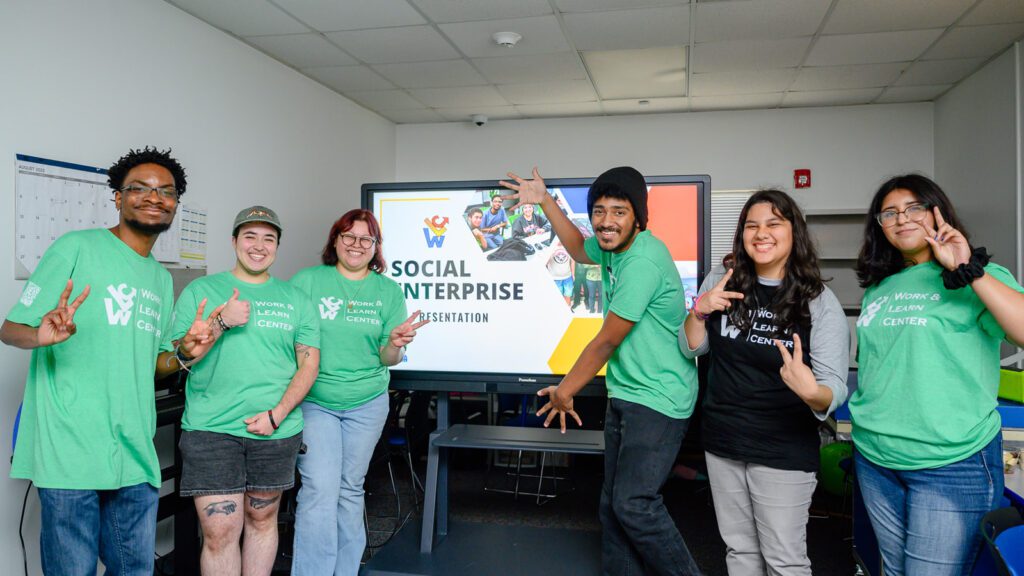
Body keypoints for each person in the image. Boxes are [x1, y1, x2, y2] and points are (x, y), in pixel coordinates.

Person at [1, 147, 221, 576]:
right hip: (69, 447)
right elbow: (9, 329)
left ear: (176, 203)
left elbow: (155, 363)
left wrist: (183, 354)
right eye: (139, 188)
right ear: (118, 197)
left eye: (166, 191)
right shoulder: (76, 248)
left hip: (133, 448)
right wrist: (40, 335)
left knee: (134, 569)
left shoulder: (160, 277)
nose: (153, 197)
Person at [501, 166, 703, 575]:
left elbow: (607, 340)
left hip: (660, 398)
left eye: (619, 212)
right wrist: (544, 200)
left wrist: (565, 390)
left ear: (638, 218)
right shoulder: (611, 248)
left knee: (635, 504)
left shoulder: (643, 260)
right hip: (627, 391)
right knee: (613, 506)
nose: (606, 222)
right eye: (599, 211)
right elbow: (578, 248)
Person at [850, 174, 1024, 576]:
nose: (901, 219)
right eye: (889, 213)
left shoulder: (979, 275)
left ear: (937, 211)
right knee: (892, 572)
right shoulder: (880, 287)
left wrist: (969, 270)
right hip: (876, 458)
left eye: (914, 208)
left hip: (949, 462)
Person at [680, 190, 849, 576]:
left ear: (795, 232)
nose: (761, 233)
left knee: (784, 561)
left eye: (774, 223)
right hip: (723, 441)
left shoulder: (818, 300)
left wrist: (811, 391)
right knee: (739, 552)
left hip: (782, 449)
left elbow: (833, 386)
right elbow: (692, 349)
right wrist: (699, 310)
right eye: (752, 225)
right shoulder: (722, 281)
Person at [172, 206, 320, 576]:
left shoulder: (296, 299)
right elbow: (179, 358)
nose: (259, 246)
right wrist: (221, 321)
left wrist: (278, 414)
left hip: (274, 429)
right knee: (220, 532)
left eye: (268, 238)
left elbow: (309, 364)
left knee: (263, 519)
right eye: (250, 236)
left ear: (277, 247)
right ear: (234, 241)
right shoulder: (202, 291)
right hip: (211, 429)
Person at [290, 209, 429, 576]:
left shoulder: (387, 290)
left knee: (350, 489)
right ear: (334, 240)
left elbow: (388, 356)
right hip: (315, 400)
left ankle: (345, 571)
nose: (356, 244)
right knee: (320, 488)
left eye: (365, 239)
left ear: (375, 247)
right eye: (348, 236)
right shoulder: (307, 282)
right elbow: (286, 341)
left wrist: (396, 344)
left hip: (366, 403)